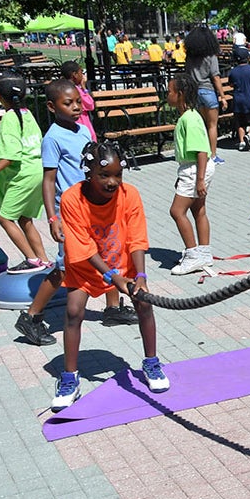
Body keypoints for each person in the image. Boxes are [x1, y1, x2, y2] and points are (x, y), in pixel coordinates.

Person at [14, 80, 137, 346]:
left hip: (94, 206)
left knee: (109, 253)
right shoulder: (52, 138)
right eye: (67, 103)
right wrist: (52, 218)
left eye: (78, 102)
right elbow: (48, 181)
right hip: (69, 212)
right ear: (51, 106)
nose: (75, 107)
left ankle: (113, 308)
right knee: (64, 267)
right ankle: (31, 316)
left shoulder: (83, 131)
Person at [50, 141, 168, 411]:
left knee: (144, 303)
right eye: (104, 175)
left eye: (118, 175)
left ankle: (151, 362)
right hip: (87, 266)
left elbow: (137, 237)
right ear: (88, 172)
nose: (113, 182)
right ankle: (70, 378)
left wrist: (140, 275)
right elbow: (83, 247)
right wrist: (113, 278)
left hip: (122, 262)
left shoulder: (130, 195)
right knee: (73, 311)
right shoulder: (71, 199)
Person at [0, 76, 49, 273]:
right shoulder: (27, 114)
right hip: (37, 171)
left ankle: (32, 259)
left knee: (5, 219)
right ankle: (44, 259)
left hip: (23, 175)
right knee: (25, 219)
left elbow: (10, 156)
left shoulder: (9, 119)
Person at [167, 74, 215, 275]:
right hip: (192, 168)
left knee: (177, 211)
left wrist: (199, 180)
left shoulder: (191, 118)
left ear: (180, 94)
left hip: (196, 167)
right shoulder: (189, 116)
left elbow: (201, 151)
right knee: (198, 210)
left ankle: (193, 255)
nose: (166, 95)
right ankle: (204, 252)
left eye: (169, 91)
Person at [184, 26, 228, 164]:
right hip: (208, 91)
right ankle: (213, 155)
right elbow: (216, 77)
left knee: (201, 125)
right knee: (212, 125)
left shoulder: (190, 57)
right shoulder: (211, 57)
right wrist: (222, 96)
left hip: (194, 92)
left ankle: (202, 154)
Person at [227, 49, 250, 151]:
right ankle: (249, 135)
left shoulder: (233, 71)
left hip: (238, 101)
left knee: (240, 122)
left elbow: (230, 84)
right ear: (247, 58)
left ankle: (242, 142)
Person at [60, 60, 97, 140]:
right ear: (75, 75)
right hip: (81, 123)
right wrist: (84, 88)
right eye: (81, 72)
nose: (82, 75)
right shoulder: (76, 90)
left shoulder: (63, 88)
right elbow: (90, 105)